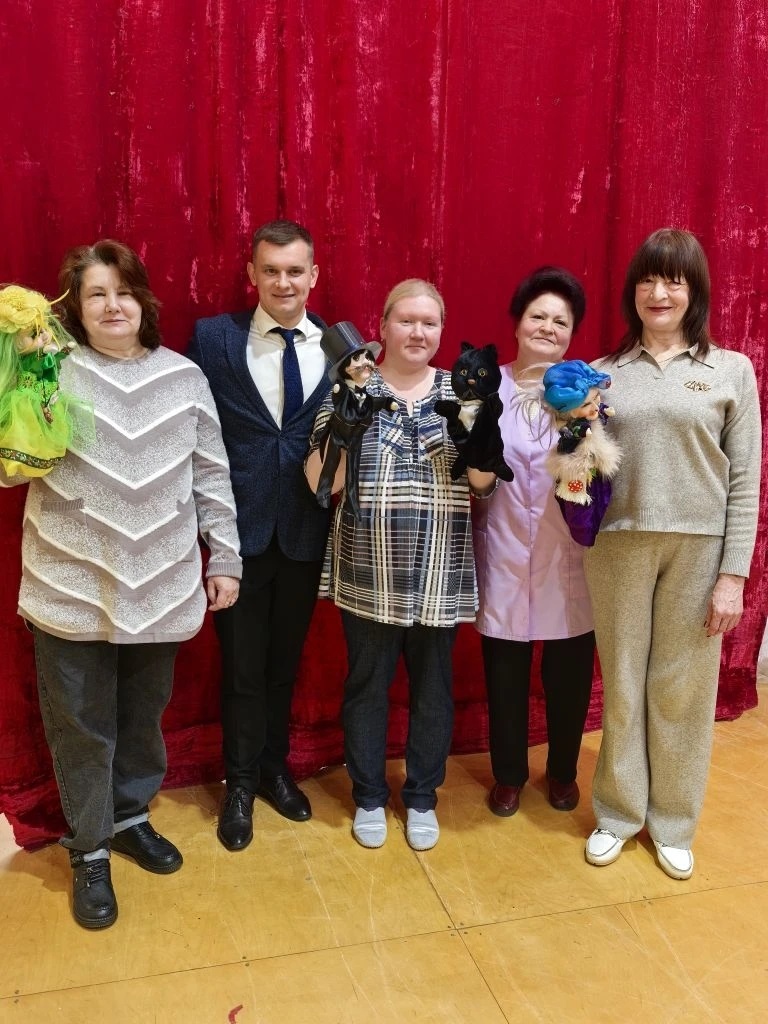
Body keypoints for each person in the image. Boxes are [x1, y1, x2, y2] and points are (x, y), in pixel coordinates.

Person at [0, 241, 242, 929]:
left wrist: (225, 557)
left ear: (144, 300)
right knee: (81, 726)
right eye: (96, 294)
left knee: (142, 716)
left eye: (124, 291)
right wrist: (20, 382)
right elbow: (11, 472)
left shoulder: (185, 377)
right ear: (75, 308)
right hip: (69, 585)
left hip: (162, 583)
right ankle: (90, 848)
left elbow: (211, 472)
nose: (112, 305)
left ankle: (131, 816)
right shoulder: (50, 372)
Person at [583, 228, 761, 880]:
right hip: (618, 545)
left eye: (674, 281)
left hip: (698, 547)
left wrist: (733, 576)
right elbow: (580, 470)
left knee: (682, 689)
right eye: (648, 280)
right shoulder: (602, 373)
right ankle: (618, 813)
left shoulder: (730, 370)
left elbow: (746, 479)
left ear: (695, 292)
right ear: (633, 290)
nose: (659, 293)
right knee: (624, 683)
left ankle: (674, 822)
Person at [306, 279, 486, 852]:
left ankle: (423, 796)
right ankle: (367, 795)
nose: (417, 332)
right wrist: (345, 424)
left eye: (429, 323)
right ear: (382, 327)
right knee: (366, 687)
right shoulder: (352, 384)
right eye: (405, 320)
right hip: (368, 567)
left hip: (439, 564)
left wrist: (481, 435)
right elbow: (318, 482)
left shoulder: (463, 391)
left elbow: (483, 484)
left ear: (442, 331)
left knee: (434, 689)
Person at [187, 220, 330, 852]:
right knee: (242, 669)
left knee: (283, 666)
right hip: (236, 534)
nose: (283, 282)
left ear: (313, 275)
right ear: (252, 274)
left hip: (304, 531)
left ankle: (275, 769)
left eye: (294, 271)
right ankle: (240, 784)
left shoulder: (342, 347)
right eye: (270, 270)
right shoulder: (213, 339)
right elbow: (191, 430)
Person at [472, 267, 596, 819]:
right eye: (538, 316)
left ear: (571, 334)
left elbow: (596, 476)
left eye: (560, 321)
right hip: (501, 550)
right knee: (505, 674)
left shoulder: (586, 393)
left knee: (568, 674)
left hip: (568, 555)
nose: (547, 327)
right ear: (518, 323)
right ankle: (509, 776)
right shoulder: (486, 389)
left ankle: (563, 771)